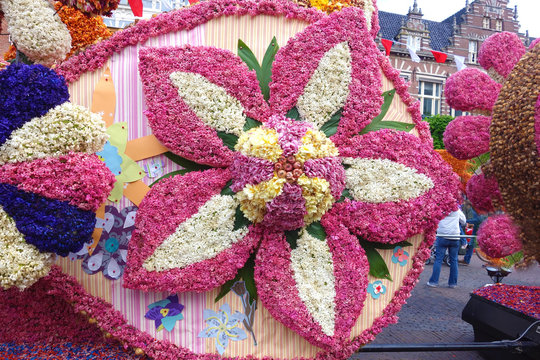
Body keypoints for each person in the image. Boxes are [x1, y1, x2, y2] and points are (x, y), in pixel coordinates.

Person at [427, 208, 466, 288]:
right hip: (454, 236)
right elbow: (464, 221)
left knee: (438, 260)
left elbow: (433, 220)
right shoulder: (457, 210)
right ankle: (452, 283)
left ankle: (433, 282)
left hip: (442, 236)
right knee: (454, 260)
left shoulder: (440, 209)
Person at [460, 200, 487, 265]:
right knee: (471, 244)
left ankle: (467, 260)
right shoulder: (475, 209)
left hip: (478, 228)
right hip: (476, 227)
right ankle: (466, 259)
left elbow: (478, 220)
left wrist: (467, 221)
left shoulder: (477, 210)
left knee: (471, 244)